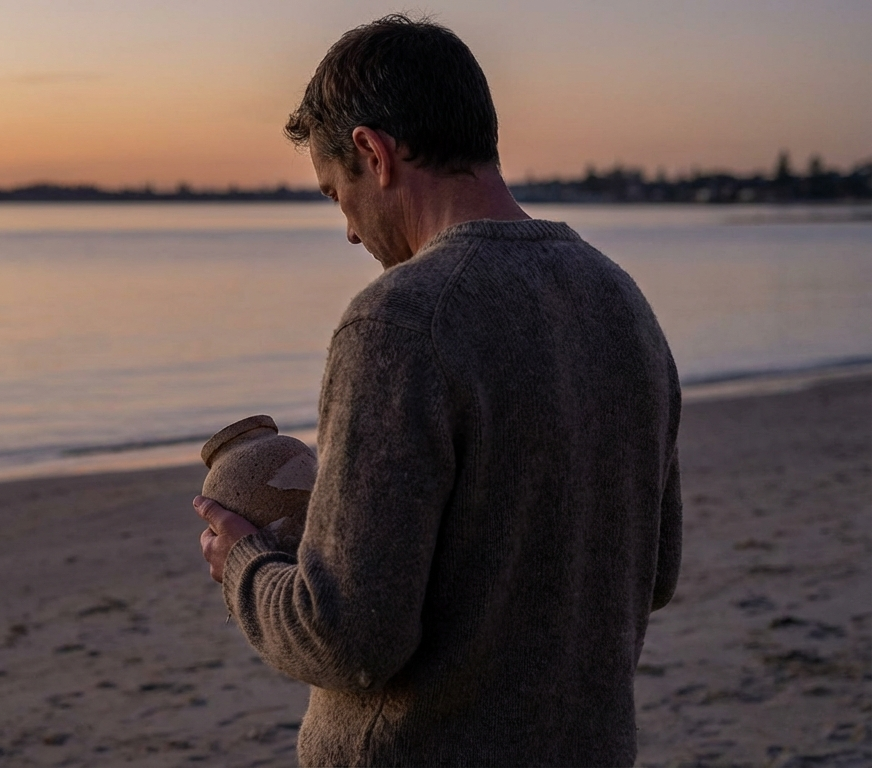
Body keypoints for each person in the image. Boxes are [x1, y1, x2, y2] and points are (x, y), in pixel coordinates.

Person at [193, 14, 682, 767]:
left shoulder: (401, 320)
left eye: (335, 195)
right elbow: (653, 572)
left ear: (373, 153)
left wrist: (245, 565)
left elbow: (349, 638)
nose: (350, 232)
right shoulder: (622, 301)